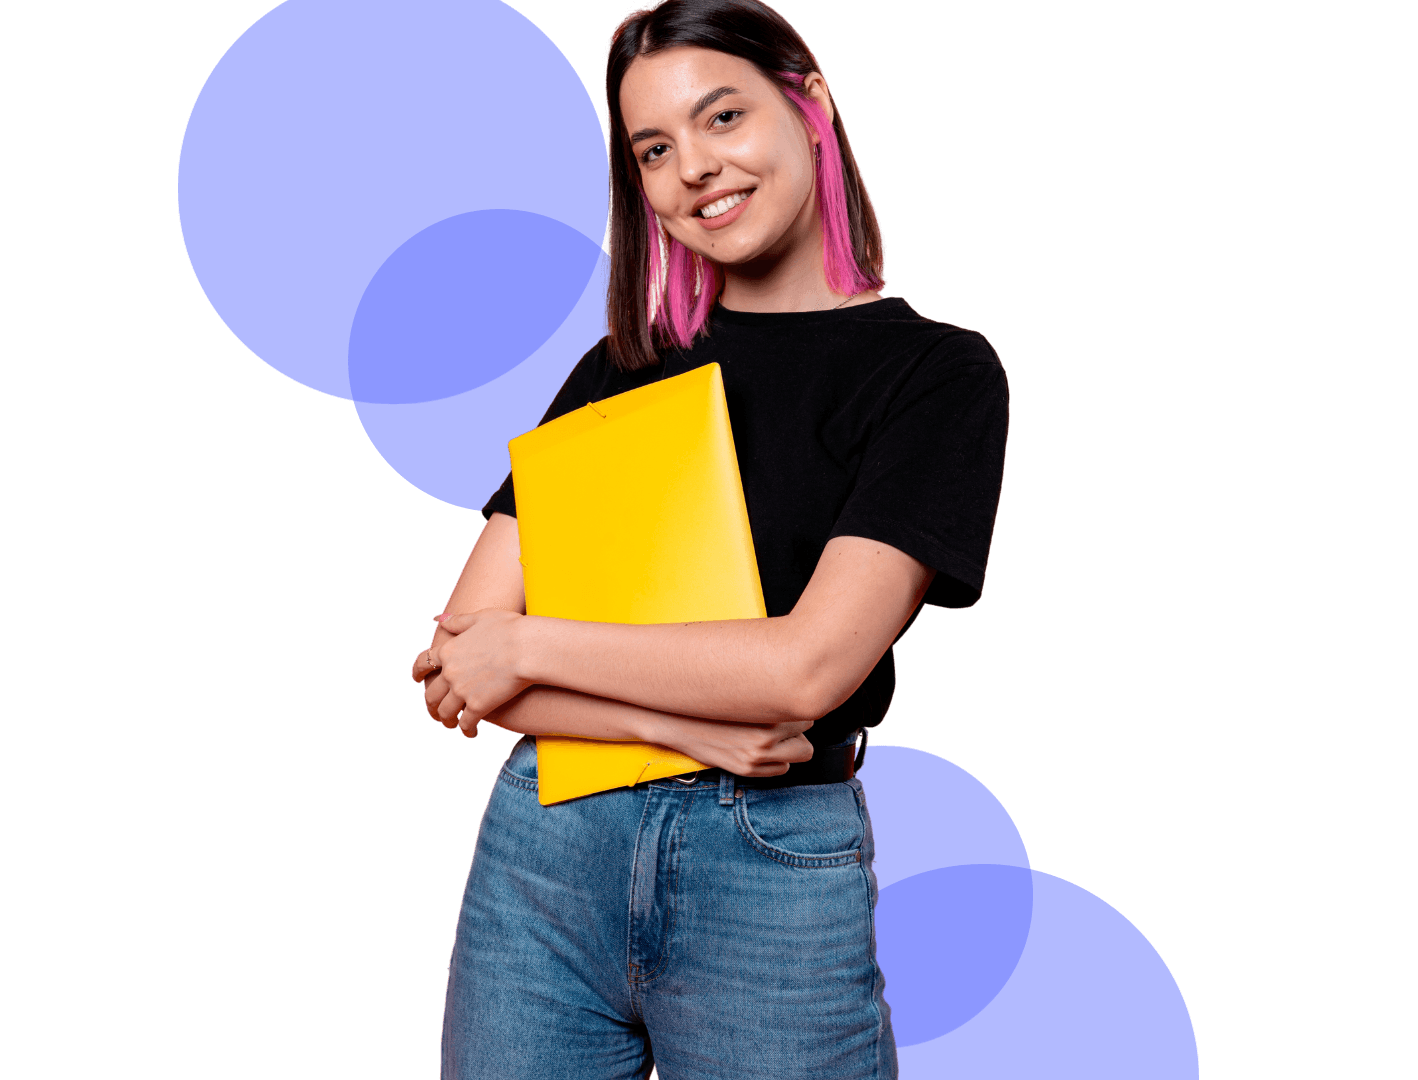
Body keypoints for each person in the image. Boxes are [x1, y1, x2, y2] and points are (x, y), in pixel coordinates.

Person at [413, 2, 1007, 1077]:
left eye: (722, 116)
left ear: (809, 102)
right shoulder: (618, 372)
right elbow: (461, 658)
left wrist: (533, 646)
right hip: (546, 856)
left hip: (769, 870)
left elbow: (808, 665)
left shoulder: (935, 377)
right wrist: (687, 730)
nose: (694, 167)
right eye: (654, 148)